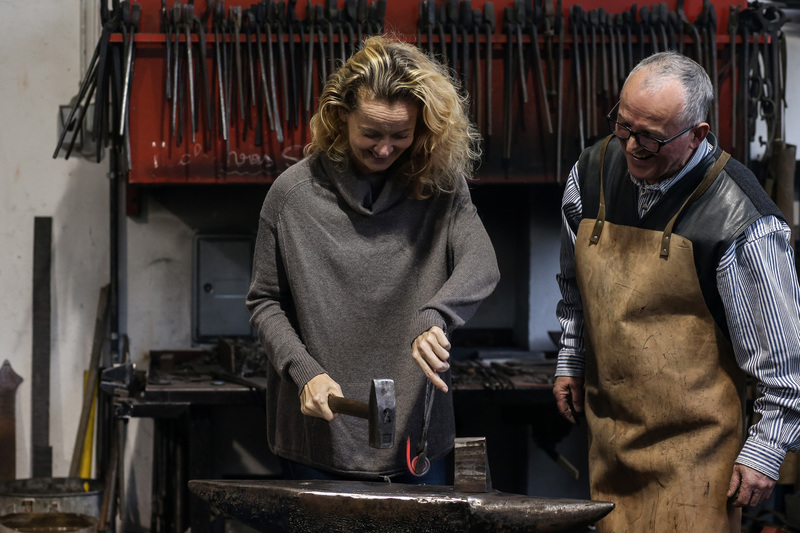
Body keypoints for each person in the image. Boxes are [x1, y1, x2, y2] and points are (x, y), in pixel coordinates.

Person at [553, 51, 800, 532]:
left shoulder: (741, 220)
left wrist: (766, 449)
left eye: (651, 136)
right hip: (611, 442)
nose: (632, 146)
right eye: (624, 125)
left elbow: (784, 359)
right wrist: (572, 356)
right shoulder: (591, 173)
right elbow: (573, 283)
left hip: (699, 460)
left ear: (698, 135)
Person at [246, 35, 500, 484]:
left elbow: (481, 263)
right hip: (318, 436)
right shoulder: (292, 196)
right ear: (340, 116)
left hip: (416, 439)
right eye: (371, 133)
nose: (384, 149)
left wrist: (437, 315)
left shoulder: (440, 186)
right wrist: (304, 372)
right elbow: (265, 302)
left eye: (400, 135)